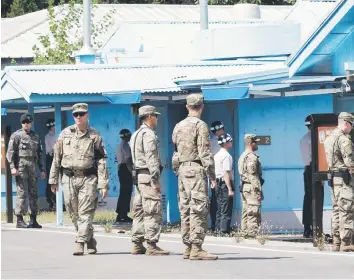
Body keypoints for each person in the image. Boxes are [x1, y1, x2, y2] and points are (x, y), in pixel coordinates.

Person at [49, 103, 109, 256]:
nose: (78, 117)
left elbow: (102, 160)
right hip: (68, 178)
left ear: (87, 115)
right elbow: (57, 158)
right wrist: (53, 179)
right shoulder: (64, 134)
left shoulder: (95, 135)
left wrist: (103, 183)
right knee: (73, 212)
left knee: (86, 212)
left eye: (81, 114)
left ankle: (79, 242)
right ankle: (89, 239)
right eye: (75, 114)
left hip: (88, 178)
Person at [172, 94, 218, 260]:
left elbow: (176, 152)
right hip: (196, 169)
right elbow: (204, 152)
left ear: (187, 107)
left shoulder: (178, 126)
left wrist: (177, 170)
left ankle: (188, 246)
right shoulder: (201, 126)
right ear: (202, 107)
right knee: (198, 208)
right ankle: (197, 247)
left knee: (185, 208)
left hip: (183, 170)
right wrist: (212, 176)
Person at [130, 105, 169, 256]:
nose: (157, 119)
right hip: (147, 176)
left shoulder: (136, 134)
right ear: (150, 116)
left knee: (139, 210)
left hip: (139, 176)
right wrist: (156, 180)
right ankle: (151, 244)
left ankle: (137, 243)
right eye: (156, 116)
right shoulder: (148, 135)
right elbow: (151, 158)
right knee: (153, 209)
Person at [6, 113, 46, 229]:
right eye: (24, 123)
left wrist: (42, 169)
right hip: (21, 166)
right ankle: (19, 219)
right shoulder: (16, 135)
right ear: (21, 123)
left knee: (34, 192)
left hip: (32, 166)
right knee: (22, 192)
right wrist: (13, 167)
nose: (26, 125)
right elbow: (10, 153)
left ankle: (33, 219)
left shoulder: (35, 136)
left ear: (31, 123)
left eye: (28, 123)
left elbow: (39, 153)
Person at [324, 112, 354, 252]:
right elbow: (350, 163)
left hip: (333, 179)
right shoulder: (344, 140)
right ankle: (346, 242)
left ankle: (336, 242)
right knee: (346, 210)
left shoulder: (329, 138)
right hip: (344, 180)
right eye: (352, 125)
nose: (352, 128)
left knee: (336, 210)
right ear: (346, 123)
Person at [300, 116, 324, 238]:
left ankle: (307, 227)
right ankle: (316, 228)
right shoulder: (314, 139)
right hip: (313, 169)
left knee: (307, 198)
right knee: (317, 199)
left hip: (307, 170)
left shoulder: (303, 138)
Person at [238, 134, 264, 238]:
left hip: (245, 187)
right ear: (250, 143)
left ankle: (245, 233)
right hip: (251, 187)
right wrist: (259, 190)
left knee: (246, 211)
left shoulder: (243, 155)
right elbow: (252, 175)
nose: (257, 144)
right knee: (253, 211)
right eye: (255, 142)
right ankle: (252, 234)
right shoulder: (251, 157)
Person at [214, 133, 234, 234]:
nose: (231, 142)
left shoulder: (216, 155)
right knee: (226, 208)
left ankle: (217, 229)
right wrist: (229, 188)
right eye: (230, 141)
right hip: (224, 183)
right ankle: (224, 230)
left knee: (219, 207)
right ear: (226, 142)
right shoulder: (226, 156)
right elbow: (226, 172)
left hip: (217, 183)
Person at [209, 121, 225, 231]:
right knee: (218, 201)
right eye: (222, 128)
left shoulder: (215, 142)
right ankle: (217, 225)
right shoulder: (215, 143)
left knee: (218, 200)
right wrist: (213, 179)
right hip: (217, 176)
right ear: (218, 130)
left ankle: (217, 225)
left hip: (217, 175)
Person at [115, 129, 133, 223]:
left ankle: (120, 214)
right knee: (126, 192)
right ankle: (123, 214)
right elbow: (127, 160)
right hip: (126, 169)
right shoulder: (126, 145)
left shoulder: (119, 146)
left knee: (123, 192)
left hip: (121, 168)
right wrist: (132, 172)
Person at [45, 118, 57, 210]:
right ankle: (50, 201)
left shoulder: (57, 135)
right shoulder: (48, 136)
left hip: (57, 157)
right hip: (51, 157)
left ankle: (57, 201)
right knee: (51, 179)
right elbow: (52, 149)